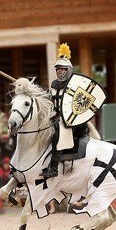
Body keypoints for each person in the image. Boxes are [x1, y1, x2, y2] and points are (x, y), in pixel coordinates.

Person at [40, 43, 87, 178]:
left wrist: (63, 117)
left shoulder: (75, 85)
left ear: (68, 70)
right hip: (55, 117)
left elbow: (78, 105)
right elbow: (51, 102)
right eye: (58, 69)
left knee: (57, 135)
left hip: (71, 120)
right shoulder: (54, 85)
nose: (60, 72)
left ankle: (54, 168)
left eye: (62, 69)